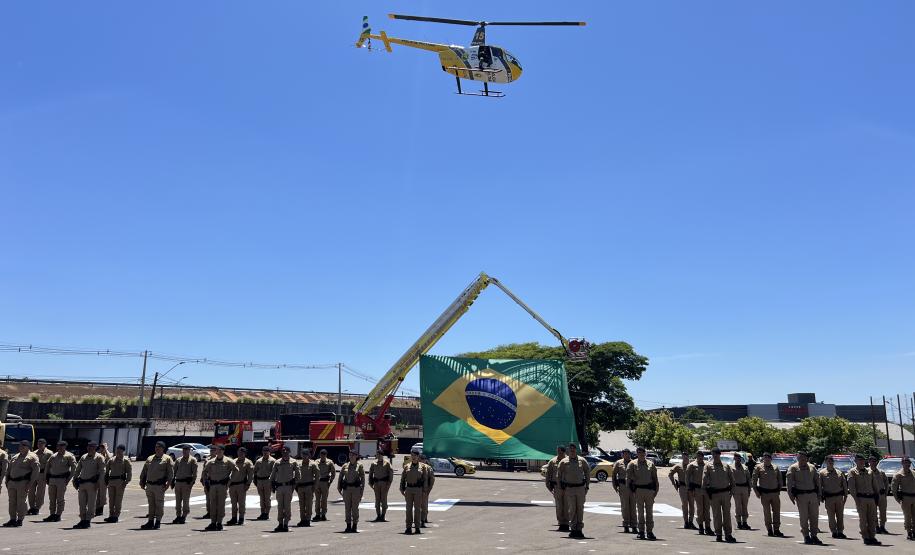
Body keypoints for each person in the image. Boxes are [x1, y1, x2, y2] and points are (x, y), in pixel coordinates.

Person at [786, 451, 822, 545]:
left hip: (813, 495)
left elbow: (817, 482)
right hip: (801, 496)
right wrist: (791, 496)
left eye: (803, 457)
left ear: (806, 458)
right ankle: (806, 536)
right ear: (797, 458)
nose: (802, 459)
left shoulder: (812, 467)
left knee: (814, 516)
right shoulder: (793, 468)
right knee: (804, 517)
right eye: (800, 457)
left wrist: (819, 495)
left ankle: (814, 535)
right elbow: (789, 484)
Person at [702, 447, 736, 543]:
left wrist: (731, 493)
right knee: (717, 515)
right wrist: (707, 494)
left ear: (719, 454)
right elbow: (704, 481)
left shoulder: (726, 466)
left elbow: (732, 481)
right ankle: (718, 534)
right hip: (714, 495)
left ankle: (728, 534)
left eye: (716, 454)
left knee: (727, 515)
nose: (715, 456)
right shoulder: (708, 466)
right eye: (713, 454)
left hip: (725, 493)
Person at [557, 442, 590, 539]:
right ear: (568, 450)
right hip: (569, 489)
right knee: (572, 509)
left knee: (580, 509)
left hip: (580, 488)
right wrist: (560, 488)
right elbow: (559, 475)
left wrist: (587, 486)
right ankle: (573, 529)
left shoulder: (582, 460)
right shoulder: (563, 462)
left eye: (574, 449)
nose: (572, 450)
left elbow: (587, 472)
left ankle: (579, 529)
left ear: (576, 450)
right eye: (570, 449)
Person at [139, 441, 174, 530]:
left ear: (163, 448)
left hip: (159, 486)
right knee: (151, 504)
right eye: (156, 447)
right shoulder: (150, 458)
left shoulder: (167, 459)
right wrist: (141, 481)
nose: (157, 448)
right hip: (149, 485)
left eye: (159, 447)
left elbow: (170, 474)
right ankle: (150, 521)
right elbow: (144, 471)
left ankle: (158, 522)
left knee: (159, 504)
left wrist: (168, 484)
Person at [3, 440, 39, 527]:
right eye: (20, 446)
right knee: (12, 502)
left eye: (23, 446)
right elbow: (9, 470)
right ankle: (12, 519)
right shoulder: (15, 456)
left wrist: (29, 484)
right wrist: (7, 481)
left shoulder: (32, 457)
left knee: (21, 502)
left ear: (28, 447)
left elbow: (35, 472)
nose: (21, 447)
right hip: (12, 482)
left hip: (22, 482)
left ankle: (20, 519)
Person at [848, 453, 881, 545]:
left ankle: (872, 537)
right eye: (859, 460)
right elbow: (852, 488)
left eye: (863, 460)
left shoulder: (869, 471)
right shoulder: (852, 472)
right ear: (855, 461)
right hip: (861, 498)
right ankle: (866, 537)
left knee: (872, 519)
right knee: (863, 519)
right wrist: (856, 499)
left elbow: (875, 485)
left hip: (871, 498)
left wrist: (877, 496)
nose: (861, 462)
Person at [627, 446, 658, 540]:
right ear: (637, 454)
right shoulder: (632, 464)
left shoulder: (650, 464)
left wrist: (655, 492)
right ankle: (641, 531)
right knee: (640, 512)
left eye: (643, 452)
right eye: (639, 452)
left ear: (645, 453)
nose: (641, 454)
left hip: (649, 491)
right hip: (638, 491)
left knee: (649, 512)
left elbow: (655, 479)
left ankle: (649, 531)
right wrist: (631, 492)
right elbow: (628, 479)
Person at [201, 444, 235, 531]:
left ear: (223, 451)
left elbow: (236, 471)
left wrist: (229, 481)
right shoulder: (211, 461)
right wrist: (206, 483)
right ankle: (213, 522)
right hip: (213, 486)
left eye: (220, 450)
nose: (218, 451)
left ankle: (219, 523)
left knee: (221, 505)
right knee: (212, 504)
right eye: (217, 450)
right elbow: (204, 472)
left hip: (222, 486)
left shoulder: (228, 461)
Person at [72, 441, 106, 528]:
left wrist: (99, 483)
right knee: (82, 503)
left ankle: (88, 520)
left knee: (91, 503)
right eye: (89, 446)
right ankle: (82, 519)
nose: (90, 448)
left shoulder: (99, 457)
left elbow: (102, 472)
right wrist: (74, 479)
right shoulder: (84, 457)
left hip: (92, 484)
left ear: (95, 448)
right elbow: (78, 469)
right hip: (82, 483)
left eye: (92, 447)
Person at [751, 452, 784, 537]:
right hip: (764, 494)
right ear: (763, 459)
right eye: (765, 458)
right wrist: (756, 492)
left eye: (768, 458)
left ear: (770, 459)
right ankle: (769, 529)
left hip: (775, 493)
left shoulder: (775, 467)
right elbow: (754, 481)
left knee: (776, 512)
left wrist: (779, 490)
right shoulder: (758, 467)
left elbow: (780, 480)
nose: (766, 459)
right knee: (767, 512)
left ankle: (776, 529)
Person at [43, 440, 76, 522]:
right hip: (52, 479)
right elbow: (47, 467)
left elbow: (73, 468)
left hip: (62, 479)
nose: (60, 447)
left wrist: (68, 479)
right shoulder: (53, 456)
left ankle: (58, 515)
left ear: (65, 447)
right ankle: (52, 514)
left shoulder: (69, 456)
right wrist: (46, 477)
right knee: (52, 498)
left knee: (60, 498)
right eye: (58, 446)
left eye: (62, 446)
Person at [270, 446, 300, 532]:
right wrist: (272, 485)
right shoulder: (277, 462)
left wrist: (293, 486)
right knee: (280, 506)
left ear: (289, 452)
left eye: (286, 451)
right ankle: (280, 523)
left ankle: (286, 523)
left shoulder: (293, 462)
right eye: (283, 451)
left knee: (287, 506)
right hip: (279, 487)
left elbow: (298, 475)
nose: (285, 453)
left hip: (288, 487)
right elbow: (272, 475)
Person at [818, 455, 848, 539]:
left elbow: (844, 485)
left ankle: (840, 531)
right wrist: (820, 496)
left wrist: (845, 495)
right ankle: (834, 531)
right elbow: (819, 486)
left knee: (840, 516)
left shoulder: (839, 472)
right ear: (825, 462)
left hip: (839, 497)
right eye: (829, 461)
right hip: (829, 498)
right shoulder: (822, 473)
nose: (830, 463)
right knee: (831, 516)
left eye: (832, 461)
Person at [400, 449, 429, 535]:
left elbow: (425, 480)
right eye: (412, 455)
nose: (413, 457)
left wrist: (424, 491)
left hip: (418, 489)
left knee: (417, 509)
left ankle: (417, 527)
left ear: (418, 456)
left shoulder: (423, 467)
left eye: (415, 455)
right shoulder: (407, 466)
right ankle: (408, 527)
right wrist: (402, 489)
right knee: (408, 509)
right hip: (409, 489)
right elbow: (403, 479)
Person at [339, 449, 365, 533]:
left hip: (356, 489)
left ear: (356, 456)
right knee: (347, 508)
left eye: (353, 455)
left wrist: (361, 491)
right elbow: (340, 477)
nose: (351, 456)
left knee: (355, 508)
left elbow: (363, 478)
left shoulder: (359, 466)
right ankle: (348, 525)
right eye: (350, 455)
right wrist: (339, 488)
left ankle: (354, 525)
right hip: (347, 489)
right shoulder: (345, 466)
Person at [104, 444, 131, 523]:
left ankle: (116, 516)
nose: (118, 452)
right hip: (111, 481)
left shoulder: (126, 461)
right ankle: (111, 515)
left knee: (118, 500)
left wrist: (126, 482)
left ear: (123, 451)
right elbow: (107, 471)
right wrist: (106, 480)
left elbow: (129, 473)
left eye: (120, 450)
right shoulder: (111, 460)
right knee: (111, 500)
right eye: (117, 450)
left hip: (120, 482)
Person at [686, 450, 712, 535]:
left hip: (706, 489)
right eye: (698, 456)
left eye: (701, 456)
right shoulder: (692, 465)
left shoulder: (707, 465)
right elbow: (687, 478)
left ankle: (708, 527)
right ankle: (701, 526)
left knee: (707, 509)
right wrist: (689, 489)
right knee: (700, 509)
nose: (700, 457)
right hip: (697, 489)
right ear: (696, 456)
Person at [171, 444, 198, 524]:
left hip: (186, 483)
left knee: (185, 501)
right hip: (178, 483)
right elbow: (174, 472)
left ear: (189, 451)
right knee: (178, 501)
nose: (185, 451)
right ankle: (178, 515)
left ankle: (184, 515)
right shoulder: (178, 460)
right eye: (183, 450)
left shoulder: (192, 460)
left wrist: (191, 484)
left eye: (186, 450)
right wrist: (172, 481)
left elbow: (194, 474)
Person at [227, 446, 254, 526]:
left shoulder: (248, 462)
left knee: (241, 503)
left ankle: (241, 518)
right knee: (233, 503)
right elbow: (228, 472)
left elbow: (250, 475)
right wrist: (228, 483)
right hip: (232, 485)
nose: (240, 454)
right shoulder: (233, 461)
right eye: (239, 452)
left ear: (245, 454)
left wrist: (248, 484)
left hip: (241, 485)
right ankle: (234, 518)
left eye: (242, 453)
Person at [545, 445, 569, 531]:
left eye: (559, 451)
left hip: (567, 487)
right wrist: (548, 486)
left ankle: (566, 523)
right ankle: (561, 523)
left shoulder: (569, 460)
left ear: (563, 451)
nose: (558, 452)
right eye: (557, 451)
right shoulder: (552, 461)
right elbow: (548, 475)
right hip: (557, 487)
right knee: (559, 506)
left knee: (567, 505)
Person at [668, 451, 694, 529]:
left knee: (692, 505)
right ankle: (686, 522)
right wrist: (674, 484)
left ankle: (691, 522)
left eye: (687, 456)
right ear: (682, 457)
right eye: (684, 456)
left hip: (691, 487)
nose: (685, 457)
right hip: (682, 487)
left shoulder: (692, 465)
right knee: (685, 505)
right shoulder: (678, 466)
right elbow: (670, 474)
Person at [890, 456, 914, 541]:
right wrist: (898, 500)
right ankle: (909, 532)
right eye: (905, 462)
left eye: (908, 462)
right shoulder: (898, 475)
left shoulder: (913, 473)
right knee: (907, 516)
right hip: (905, 498)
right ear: (902, 463)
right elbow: (894, 489)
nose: (907, 464)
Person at [612, 448, 636, 533]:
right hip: (623, 486)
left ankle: (634, 525)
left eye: (628, 453)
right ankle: (626, 525)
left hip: (632, 487)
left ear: (630, 454)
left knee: (633, 506)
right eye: (624, 453)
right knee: (625, 506)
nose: (626, 455)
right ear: (622, 455)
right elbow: (614, 475)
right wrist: (615, 486)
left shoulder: (634, 463)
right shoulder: (618, 463)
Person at [27, 438, 52, 516]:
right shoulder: (34, 453)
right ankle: (32, 507)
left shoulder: (49, 453)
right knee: (31, 491)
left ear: (45, 444)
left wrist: (48, 475)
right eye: (38, 444)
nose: (39, 445)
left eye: (41, 444)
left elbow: (50, 465)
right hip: (34, 473)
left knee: (40, 492)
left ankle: (37, 507)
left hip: (42, 474)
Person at [369, 448, 393, 522]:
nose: (378, 456)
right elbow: (370, 474)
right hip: (376, 483)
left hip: (384, 483)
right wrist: (370, 483)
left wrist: (389, 483)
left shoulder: (387, 463)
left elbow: (390, 473)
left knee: (384, 499)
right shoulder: (373, 463)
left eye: (380, 455)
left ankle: (383, 515)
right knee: (377, 500)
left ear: (382, 455)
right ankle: (378, 515)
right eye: (377, 455)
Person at [295, 450, 319, 527]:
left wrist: (315, 487)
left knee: (308, 504)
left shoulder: (313, 464)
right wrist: (296, 486)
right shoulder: (298, 464)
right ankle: (302, 519)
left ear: (309, 455)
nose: (304, 456)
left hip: (309, 487)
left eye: (306, 455)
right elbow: (295, 474)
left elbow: (317, 476)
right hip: (300, 487)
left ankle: (308, 519)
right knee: (301, 504)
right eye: (303, 455)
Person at [253, 446, 275, 521]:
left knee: (267, 498)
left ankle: (267, 513)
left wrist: (273, 483)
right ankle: (262, 513)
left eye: (266, 451)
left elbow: (275, 472)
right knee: (261, 498)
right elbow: (255, 471)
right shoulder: (258, 461)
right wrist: (255, 481)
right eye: (264, 451)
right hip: (260, 481)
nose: (265, 452)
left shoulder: (272, 461)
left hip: (267, 481)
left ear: (269, 452)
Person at [869, 455, 890, 534]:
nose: (873, 463)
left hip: (881, 495)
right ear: (869, 462)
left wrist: (885, 493)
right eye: (872, 461)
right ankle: (876, 526)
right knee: (873, 512)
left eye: (875, 461)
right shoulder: (866, 472)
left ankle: (882, 526)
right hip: (872, 495)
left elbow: (886, 483)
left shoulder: (881, 472)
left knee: (883, 512)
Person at [314, 449, 336, 521]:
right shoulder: (316, 462)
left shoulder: (330, 462)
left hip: (325, 483)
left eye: (324, 455)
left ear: (326, 455)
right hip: (317, 482)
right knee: (317, 499)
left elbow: (333, 473)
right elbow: (313, 471)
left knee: (324, 499)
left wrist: (330, 481)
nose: (322, 456)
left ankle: (323, 514)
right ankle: (317, 514)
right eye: (321, 455)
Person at [731, 453, 751, 530]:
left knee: (745, 506)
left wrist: (749, 489)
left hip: (744, 488)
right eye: (736, 458)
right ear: (734, 459)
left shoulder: (745, 467)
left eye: (739, 458)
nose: (738, 459)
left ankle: (745, 522)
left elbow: (748, 479)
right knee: (738, 506)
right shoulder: (731, 467)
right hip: (736, 488)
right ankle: (739, 522)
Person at [94, 442, 111, 517]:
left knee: (102, 494)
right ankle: (96, 508)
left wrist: (106, 450)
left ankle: (100, 509)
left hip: (104, 476)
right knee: (96, 493)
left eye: (103, 447)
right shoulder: (97, 455)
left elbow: (109, 458)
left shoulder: (109, 454)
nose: (102, 448)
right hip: (96, 475)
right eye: (101, 447)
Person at [420, 454, 435, 526]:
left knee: (424, 505)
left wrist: (428, 490)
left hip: (425, 490)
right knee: (418, 505)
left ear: (425, 460)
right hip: (417, 489)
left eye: (422, 460)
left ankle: (424, 518)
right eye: (420, 460)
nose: (421, 461)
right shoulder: (417, 467)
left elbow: (432, 480)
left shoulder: (428, 468)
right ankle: (420, 518)